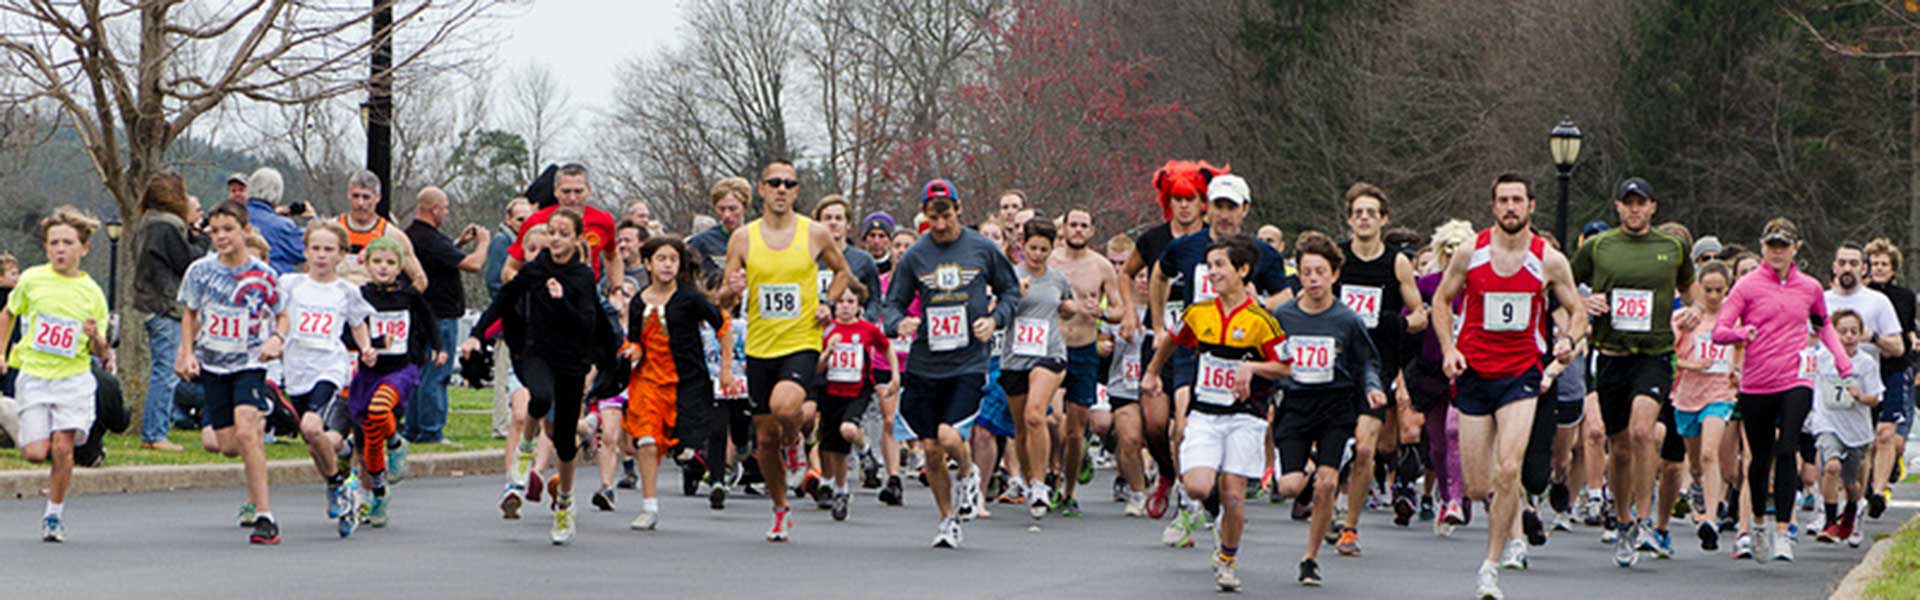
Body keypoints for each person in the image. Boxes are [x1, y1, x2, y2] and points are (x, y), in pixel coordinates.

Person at [1432, 173, 1586, 598]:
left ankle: (1491, 564)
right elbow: (1441, 301)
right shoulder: (1471, 253)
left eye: (1518, 200)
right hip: (1475, 373)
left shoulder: (1549, 260)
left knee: (1509, 467)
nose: (1510, 208)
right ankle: (1508, 515)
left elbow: (1577, 311)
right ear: (1493, 206)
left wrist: (1569, 341)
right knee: (1481, 485)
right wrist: (1449, 348)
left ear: (1531, 206)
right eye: (1503, 200)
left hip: (1521, 373)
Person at [717, 159, 860, 542]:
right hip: (761, 346)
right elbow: (724, 299)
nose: (782, 189)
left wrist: (828, 302)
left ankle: (796, 441)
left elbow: (843, 271)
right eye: (774, 183)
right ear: (761, 190)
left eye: (789, 184)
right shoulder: (744, 238)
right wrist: (731, 288)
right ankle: (781, 510)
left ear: (797, 192)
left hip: (802, 340)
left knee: (784, 408)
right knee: (764, 439)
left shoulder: (813, 233)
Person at [1149, 173, 1293, 546]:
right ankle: (1190, 505)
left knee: (1228, 441)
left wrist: (1258, 306)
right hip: (1196, 346)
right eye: (1217, 206)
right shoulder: (1187, 246)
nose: (1224, 214)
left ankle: (1222, 503)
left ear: (1244, 210)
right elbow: (1158, 275)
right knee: (1180, 425)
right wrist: (1158, 322)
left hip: (1240, 351)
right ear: (1205, 208)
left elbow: (1284, 295)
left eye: (1231, 207)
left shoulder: (1262, 253)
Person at [1236, 232, 1381, 588]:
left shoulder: (1347, 319)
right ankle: (1311, 466)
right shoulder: (1283, 316)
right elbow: (1268, 358)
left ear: (1334, 275)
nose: (1314, 279)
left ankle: (1310, 559)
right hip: (1296, 405)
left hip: (1335, 405)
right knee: (1288, 486)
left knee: (1327, 486)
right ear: (1298, 275)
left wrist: (1374, 388)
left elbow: (1366, 362)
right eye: (1307, 272)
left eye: (1320, 272)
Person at [461, 208, 612, 545]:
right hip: (535, 351)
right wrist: (477, 334)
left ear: (576, 239)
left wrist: (561, 301)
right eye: (552, 232)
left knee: (563, 443)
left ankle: (565, 503)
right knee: (540, 396)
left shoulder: (582, 277)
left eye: (563, 233)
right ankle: (526, 448)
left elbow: (587, 323)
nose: (556, 239)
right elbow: (502, 301)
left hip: (572, 359)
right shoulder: (535, 269)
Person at [884, 178, 1020, 548]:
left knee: (948, 436)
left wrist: (995, 320)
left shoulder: (981, 249)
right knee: (929, 449)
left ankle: (968, 470)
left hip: (968, 361)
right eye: (933, 217)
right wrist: (900, 323)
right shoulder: (915, 256)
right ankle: (947, 520)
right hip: (926, 362)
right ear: (924, 216)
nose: (940, 224)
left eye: (946, 215)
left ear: (958, 209)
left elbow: (1010, 290)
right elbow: (892, 304)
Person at [1711, 217, 1851, 564]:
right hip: (1757, 382)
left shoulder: (1810, 287)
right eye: (1772, 245)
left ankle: (1784, 531)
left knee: (1787, 447)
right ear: (1762, 247)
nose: (1777, 252)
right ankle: (1758, 522)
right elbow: (1719, 330)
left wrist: (1840, 357)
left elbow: (1823, 324)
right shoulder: (1746, 286)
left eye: (1783, 246)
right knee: (1759, 459)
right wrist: (1742, 335)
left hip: (1795, 377)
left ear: (1795, 249)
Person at [1569, 177, 1693, 565]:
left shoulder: (1672, 247)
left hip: (1654, 354)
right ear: (1618, 208)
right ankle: (1622, 519)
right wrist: (1584, 304)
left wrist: (1691, 312)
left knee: (1643, 432)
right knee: (1618, 446)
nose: (1634, 209)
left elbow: (1690, 290)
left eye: (1641, 203)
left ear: (1653, 207)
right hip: (1611, 353)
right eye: (1628, 203)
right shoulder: (1599, 247)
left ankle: (1644, 518)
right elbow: (1563, 284)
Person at [176, 200, 286, 545]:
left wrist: (277, 339)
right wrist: (187, 353)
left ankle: (265, 517)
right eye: (215, 231)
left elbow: (282, 313)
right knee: (226, 444)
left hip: (250, 362)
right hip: (213, 362)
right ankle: (254, 451)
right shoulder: (200, 271)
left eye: (229, 230)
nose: (221, 237)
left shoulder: (264, 275)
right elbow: (190, 314)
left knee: (247, 430)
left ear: (246, 231)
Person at [1, 207, 111, 542]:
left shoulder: (92, 293)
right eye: (53, 243)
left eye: (67, 242)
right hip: (34, 375)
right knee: (35, 451)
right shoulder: (32, 279)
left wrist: (95, 337)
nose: (60, 249)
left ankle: (54, 514)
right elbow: (8, 313)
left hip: (73, 378)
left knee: (63, 448)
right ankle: (44, 437)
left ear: (84, 248)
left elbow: (102, 352)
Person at [1332, 182, 1429, 551]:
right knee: (1337, 441)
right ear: (1349, 219)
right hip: (1337, 362)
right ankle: (1330, 502)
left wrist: (1398, 323)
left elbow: (1420, 314)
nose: (1364, 218)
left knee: (1366, 448)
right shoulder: (1337, 259)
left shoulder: (1396, 262)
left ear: (1383, 219)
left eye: (1371, 212)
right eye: (1358, 212)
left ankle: (1350, 527)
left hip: (1378, 363)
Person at [620, 236, 734, 531]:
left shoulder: (690, 298)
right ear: (647, 264)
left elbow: (723, 327)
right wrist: (632, 350)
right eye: (661, 259)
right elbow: (635, 339)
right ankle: (649, 506)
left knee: (687, 442)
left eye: (673, 259)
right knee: (645, 438)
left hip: (686, 382)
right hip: (648, 381)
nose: (668, 265)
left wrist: (726, 371)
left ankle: (692, 457)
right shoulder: (638, 301)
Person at [273, 221, 376, 538]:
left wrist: (367, 347)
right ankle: (337, 473)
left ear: (341, 254)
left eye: (328, 249)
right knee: (313, 442)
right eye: (315, 249)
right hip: (297, 368)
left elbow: (358, 323)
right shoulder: (290, 285)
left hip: (329, 367)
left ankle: (335, 484)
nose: (321, 255)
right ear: (305, 251)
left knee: (311, 426)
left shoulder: (346, 291)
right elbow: (278, 315)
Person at [350, 237, 439, 530]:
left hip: (401, 370)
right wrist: (370, 344)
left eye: (390, 263)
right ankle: (378, 492)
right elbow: (346, 334)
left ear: (400, 267)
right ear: (366, 264)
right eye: (378, 262)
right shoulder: (358, 297)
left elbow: (428, 322)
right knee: (369, 438)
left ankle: (397, 443)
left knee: (379, 410)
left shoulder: (410, 296)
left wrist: (438, 347)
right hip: (369, 372)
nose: (384, 268)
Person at [1050, 208, 1131, 516]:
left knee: (1074, 431)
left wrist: (1101, 311)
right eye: (1074, 225)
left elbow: (1120, 310)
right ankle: (1050, 477)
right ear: (1065, 228)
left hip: (1084, 350)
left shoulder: (1101, 266)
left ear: (1092, 231)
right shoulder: (1051, 262)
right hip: (1053, 349)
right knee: (1052, 420)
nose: (1079, 230)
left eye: (1084, 226)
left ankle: (1068, 490)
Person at [1001, 219, 1079, 526]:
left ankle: (1039, 484)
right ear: (1023, 246)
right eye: (1032, 248)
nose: (1037, 254)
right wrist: (1013, 296)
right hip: (1015, 357)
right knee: (1021, 429)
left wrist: (1069, 309)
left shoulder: (1057, 279)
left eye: (1044, 249)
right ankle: (1030, 475)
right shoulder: (1010, 276)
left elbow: (1067, 302)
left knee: (1036, 414)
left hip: (1049, 352)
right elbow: (996, 310)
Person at [403, 187, 489, 445]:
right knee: (436, 373)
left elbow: (438, 259)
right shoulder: (432, 240)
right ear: (435, 209)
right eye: (446, 207)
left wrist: (458, 244)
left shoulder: (410, 237)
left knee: (418, 373)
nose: (447, 212)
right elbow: (473, 265)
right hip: (440, 316)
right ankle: (431, 430)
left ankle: (414, 428)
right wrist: (483, 242)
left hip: (418, 316)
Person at [133, 172, 206, 452]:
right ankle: (155, 433)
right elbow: (188, 261)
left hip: (149, 302)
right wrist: (201, 241)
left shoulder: (147, 223)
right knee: (166, 370)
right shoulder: (166, 226)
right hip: (164, 304)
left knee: (162, 369)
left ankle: (154, 430)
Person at [1669, 261, 1738, 552]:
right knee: (1695, 462)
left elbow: (1744, 348)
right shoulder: (1684, 319)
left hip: (1720, 394)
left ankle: (1710, 518)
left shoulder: (1734, 319)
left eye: (1719, 290)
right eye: (1707, 289)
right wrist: (1691, 364)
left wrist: (1739, 370)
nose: (1712, 296)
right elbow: (1670, 358)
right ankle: (1697, 487)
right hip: (1687, 395)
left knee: (1711, 454)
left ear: (1728, 289)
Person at [816, 287, 894, 521]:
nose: (845, 306)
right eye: (840, 302)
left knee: (848, 429)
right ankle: (842, 489)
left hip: (858, 390)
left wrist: (894, 376)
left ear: (859, 305)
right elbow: (817, 368)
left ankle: (864, 450)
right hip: (831, 391)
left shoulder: (867, 329)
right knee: (833, 447)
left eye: (851, 301)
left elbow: (886, 346)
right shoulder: (826, 330)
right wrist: (829, 350)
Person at [1809, 309, 1880, 548]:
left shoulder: (1866, 363)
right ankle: (1829, 521)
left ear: (1861, 335)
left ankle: (1851, 510)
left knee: (1852, 483)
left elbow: (1876, 397)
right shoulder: (1822, 359)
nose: (1848, 336)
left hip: (1856, 430)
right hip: (1828, 423)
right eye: (1843, 332)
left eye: (1853, 332)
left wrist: (1861, 396)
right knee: (1831, 467)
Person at [1861, 238, 1914, 518]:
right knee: (1866, 437)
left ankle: (1880, 490)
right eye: (1875, 264)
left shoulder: (1905, 297)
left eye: (1885, 264)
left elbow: (1908, 334)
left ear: (1893, 269)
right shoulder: (1861, 296)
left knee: (1887, 435)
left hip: (1894, 369)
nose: (1879, 269)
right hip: (1864, 369)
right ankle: (1868, 485)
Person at [485, 197, 533, 439]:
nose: (524, 223)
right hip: (506, 321)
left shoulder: (527, 243)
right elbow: (494, 280)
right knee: (504, 374)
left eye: (528, 219)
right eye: (519, 219)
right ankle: (501, 426)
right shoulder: (502, 241)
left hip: (527, 323)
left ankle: (521, 421)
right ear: (508, 219)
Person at [333, 170, 427, 291]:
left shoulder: (392, 235)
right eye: (355, 196)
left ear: (378, 198)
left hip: (374, 304)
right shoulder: (333, 229)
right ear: (348, 195)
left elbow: (420, 279)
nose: (360, 203)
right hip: (338, 302)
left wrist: (399, 301)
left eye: (366, 197)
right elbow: (311, 269)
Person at [243, 167, 306, 276]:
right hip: (271, 285)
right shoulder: (282, 226)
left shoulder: (235, 218)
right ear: (277, 193)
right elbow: (307, 249)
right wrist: (311, 219)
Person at [689, 177, 751, 287]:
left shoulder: (759, 238)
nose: (727, 215)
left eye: (733, 209)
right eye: (721, 209)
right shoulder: (701, 242)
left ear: (744, 208)